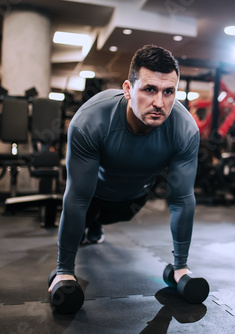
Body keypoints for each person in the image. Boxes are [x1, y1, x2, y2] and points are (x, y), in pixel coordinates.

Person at [49, 45, 200, 293]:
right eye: (149, 89)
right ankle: (92, 225)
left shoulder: (185, 129)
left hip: (134, 195)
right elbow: (76, 197)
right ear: (128, 90)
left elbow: (182, 199)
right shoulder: (90, 121)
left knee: (120, 215)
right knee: (88, 211)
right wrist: (64, 270)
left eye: (168, 91)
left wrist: (180, 267)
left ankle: (97, 224)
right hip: (94, 193)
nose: (159, 103)